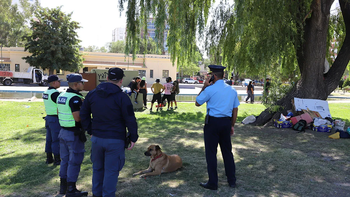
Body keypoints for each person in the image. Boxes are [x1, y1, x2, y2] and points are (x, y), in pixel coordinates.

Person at [80, 67, 139, 197]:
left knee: (97, 169)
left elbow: (83, 115)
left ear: (107, 78)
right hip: (115, 140)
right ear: (121, 80)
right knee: (111, 171)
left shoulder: (92, 94)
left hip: (97, 138)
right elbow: (130, 119)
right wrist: (133, 137)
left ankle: (97, 194)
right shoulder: (122, 97)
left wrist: (90, 130)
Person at [195, 65, 239, 190]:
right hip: (226, 123)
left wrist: (204, 86)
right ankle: (232, 181)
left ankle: (213, 183)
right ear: (223, 75)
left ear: (213, 76)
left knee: (211, 153)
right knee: (227, 152)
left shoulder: (209, 89)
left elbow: (197, 102)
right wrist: (232, 125)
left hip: (212, 124)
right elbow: (235, 110)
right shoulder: (232, 90)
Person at [57, 74, 88, 197]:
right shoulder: (75, 98)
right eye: (82, 83)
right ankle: (71, 189)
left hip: (63, 132)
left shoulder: (62, 95)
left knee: (64, 160)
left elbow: (59, 112)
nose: (83, 84)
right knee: (74, 161)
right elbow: (78, 117)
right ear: (76, 84)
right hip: (73, 134)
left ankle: (63, 188)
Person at [42, 75, 62, 165]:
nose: (60, 83)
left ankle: (49, 158)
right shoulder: (55, 93)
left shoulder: (45, 92)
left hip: (48, 118)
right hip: (55, 119)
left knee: (49, 139)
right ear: (54, 82)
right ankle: (57, 159)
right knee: (56, 140)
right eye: (59, 81)